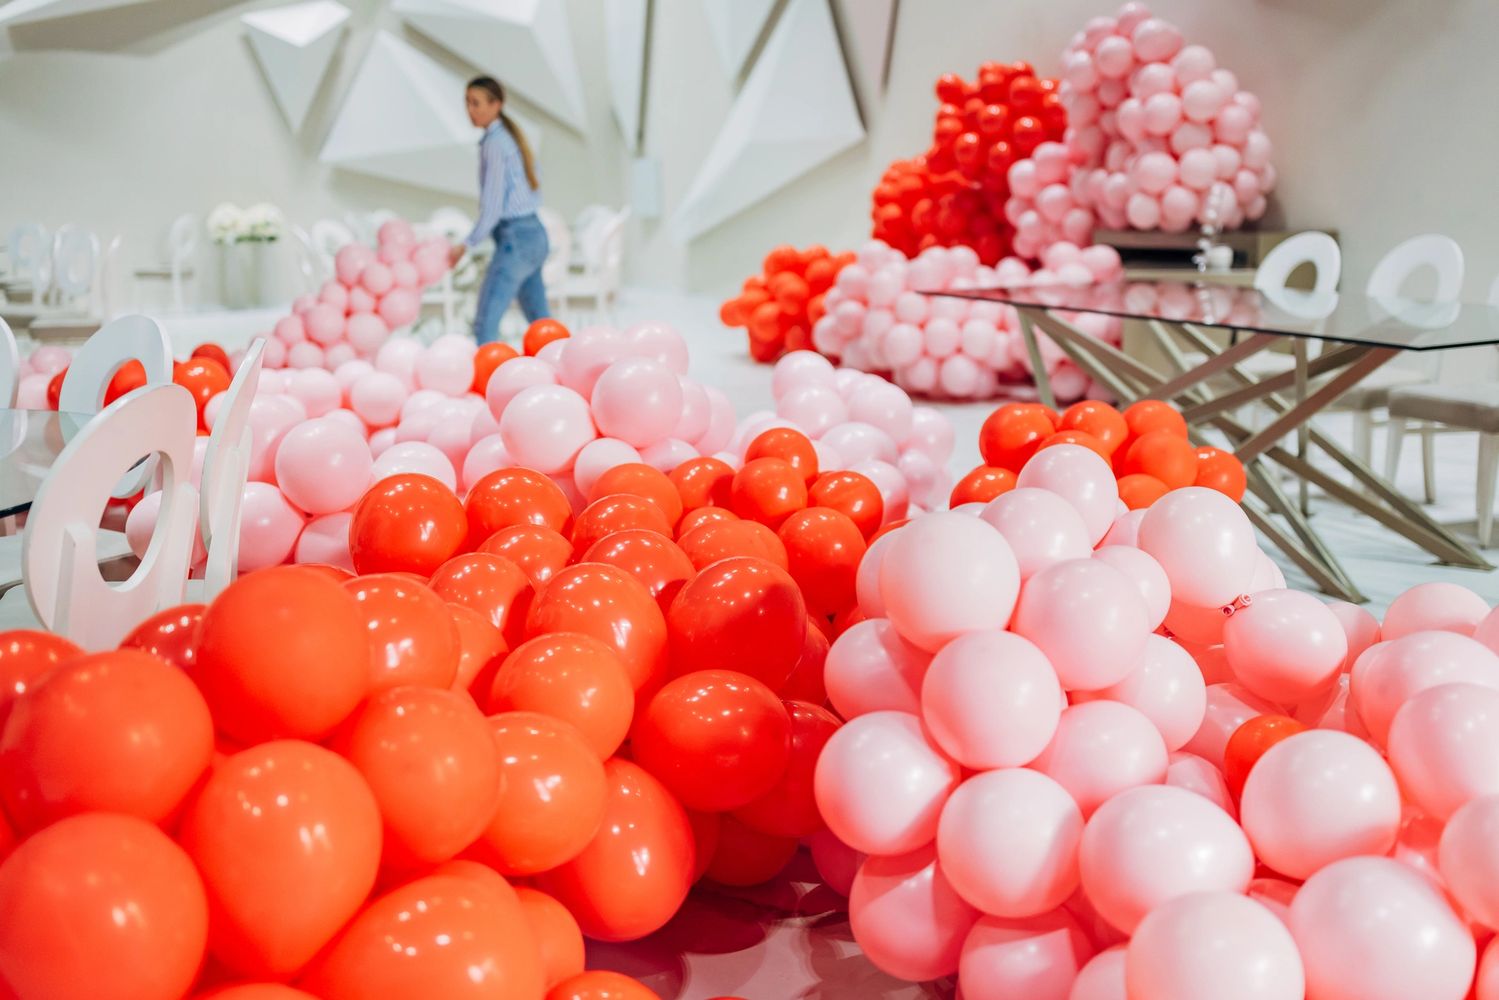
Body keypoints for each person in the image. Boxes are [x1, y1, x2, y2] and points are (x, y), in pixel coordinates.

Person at [449, 76, 551, 345]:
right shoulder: (510, 139)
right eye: (468, 103)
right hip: (535, 235)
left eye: (477, 103)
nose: (471, 110)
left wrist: (466, 244)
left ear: (497, 105)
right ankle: (560, 373)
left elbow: (492, 207)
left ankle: (486, 386)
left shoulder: (494, 144)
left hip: (515, 240)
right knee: (542, 324)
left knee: (485, 324)